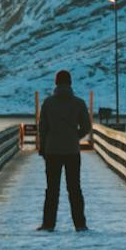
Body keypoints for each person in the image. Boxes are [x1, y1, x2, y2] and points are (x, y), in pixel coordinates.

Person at [34, 70, 91, 232]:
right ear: (70, 83)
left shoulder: (48, 103)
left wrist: (43, 148)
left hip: (52, 151)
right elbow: (87, 126)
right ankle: (80, 224)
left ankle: (48, 224)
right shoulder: (79, 103)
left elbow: (42, 128)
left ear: (56, 83)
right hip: (72, 151)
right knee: (74, 188)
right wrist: (75, 136)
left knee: (52, 189)